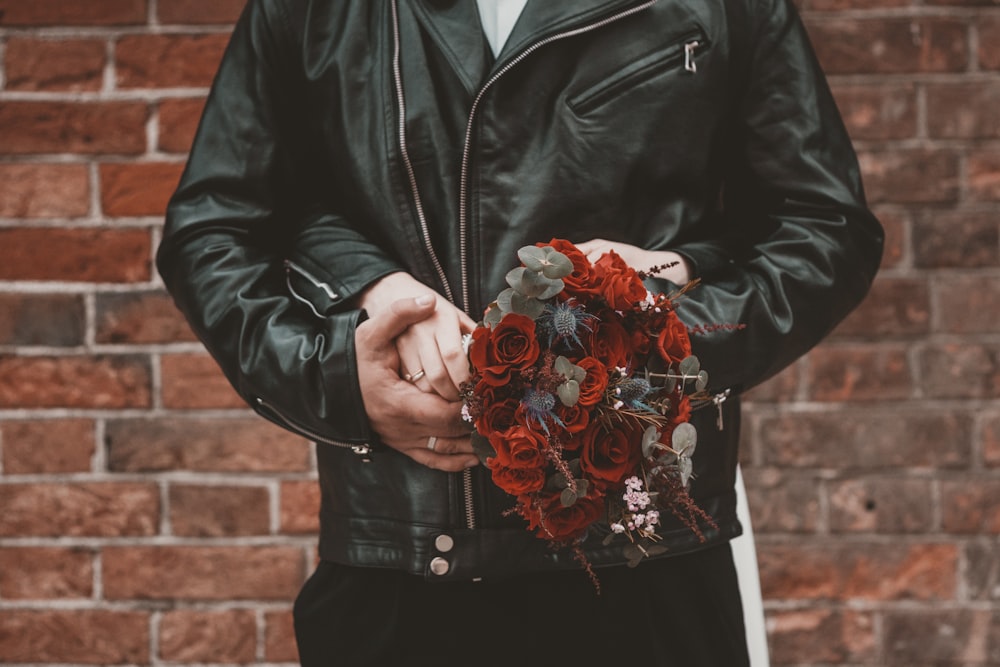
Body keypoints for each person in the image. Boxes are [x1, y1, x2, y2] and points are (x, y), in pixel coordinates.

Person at [158, 0, 883, 664]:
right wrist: (341, 379)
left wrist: (651, 328)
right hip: (406, 558)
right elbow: (215, 231)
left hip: (646, 569)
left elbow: (826, 228)